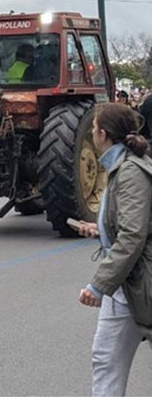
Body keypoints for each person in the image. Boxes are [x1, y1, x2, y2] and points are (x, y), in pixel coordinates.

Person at [75, 103, 152, 397]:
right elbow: (128, 224)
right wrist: (100, 229)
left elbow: (133, 235)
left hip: (135, 281)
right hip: (128, 282)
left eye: (94, 129)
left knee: (106, 361)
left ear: (103, 134)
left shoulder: (130, 171)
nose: (92, 133)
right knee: (105, 360)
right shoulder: (120, 167)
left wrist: (98, 286)